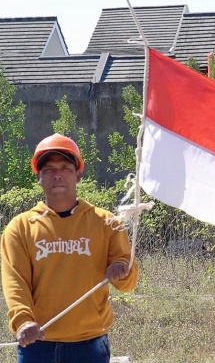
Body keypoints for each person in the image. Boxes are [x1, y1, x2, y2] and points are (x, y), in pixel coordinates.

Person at [1, 133, 139, 363]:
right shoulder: (20, 227)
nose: (57, 175)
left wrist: (120, 269)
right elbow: (15, 282)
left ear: (78, 174)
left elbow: (128, 283)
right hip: (37, 345)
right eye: (49, 169)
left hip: (89, 346)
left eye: (65, 167)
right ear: (38, 177)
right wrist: (23, 320)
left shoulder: (107, 223)